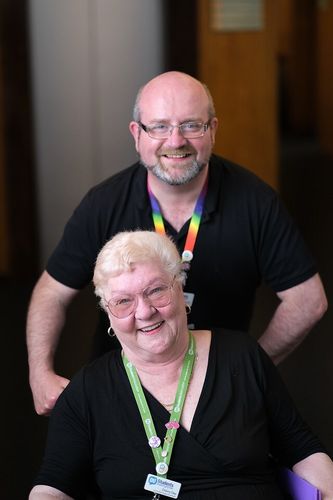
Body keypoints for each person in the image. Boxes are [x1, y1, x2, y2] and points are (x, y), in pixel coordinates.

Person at [26, 71, 327, 416]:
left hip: (217, 396)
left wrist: (246, 369)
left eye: (191, 125)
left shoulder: (256, 203)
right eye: (159, 127)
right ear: (136, 134)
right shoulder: (104, 204)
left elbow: (308, 301)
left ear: (212, 130)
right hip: (121, 389)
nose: (175, 141)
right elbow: (51, 292)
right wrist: (39, 373)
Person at [29, 230, 333, 500]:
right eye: (124, 301)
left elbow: (302, 449)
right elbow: (52, 487)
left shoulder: (242, 355)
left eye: (156, 290)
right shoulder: (87, 390)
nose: (145, 311)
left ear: (179, 288)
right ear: (108, 314)